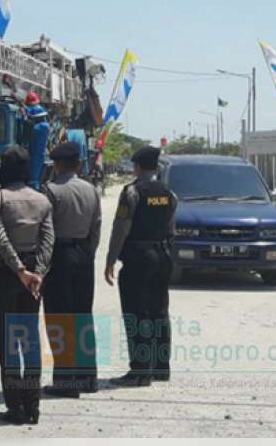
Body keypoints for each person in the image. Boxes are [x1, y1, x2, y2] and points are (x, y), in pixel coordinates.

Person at [0, 145, 54, 425]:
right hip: (33, 278)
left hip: (4, 274)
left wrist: (20, 270)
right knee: (29, 340)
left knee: (7, 342)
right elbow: (48, 241)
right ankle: (33, 407)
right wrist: (36, 272)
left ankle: (15, 408)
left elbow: (0, 239)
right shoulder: (41, 200)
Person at [104, 146, 177, 387]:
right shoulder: (169, 193)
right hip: (163, 256)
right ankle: (161, 367)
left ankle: (140, 371)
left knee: (137, 313)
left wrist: (110, 259)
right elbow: (171, 228)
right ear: (156, 167)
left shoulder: (132, 192)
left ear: (137, 167)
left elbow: (120, 228)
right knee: (159, 311)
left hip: (138, 258)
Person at [42, 141, 102, 397]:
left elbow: (45, 232)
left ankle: (66, 382)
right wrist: (89, 252)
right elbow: (96, 227)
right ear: (78, 164)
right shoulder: (91, 190)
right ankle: (88, 378)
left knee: (60, 317)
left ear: (56, 165)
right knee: (82, 316)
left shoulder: (51, 191)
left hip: (59, 256)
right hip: (84, 256)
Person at [26, 102, 50, 190]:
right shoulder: (45, 126)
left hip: (35, 157)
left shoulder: (38, 127)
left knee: (33, 180)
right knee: (36, 180)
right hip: (40, 156)